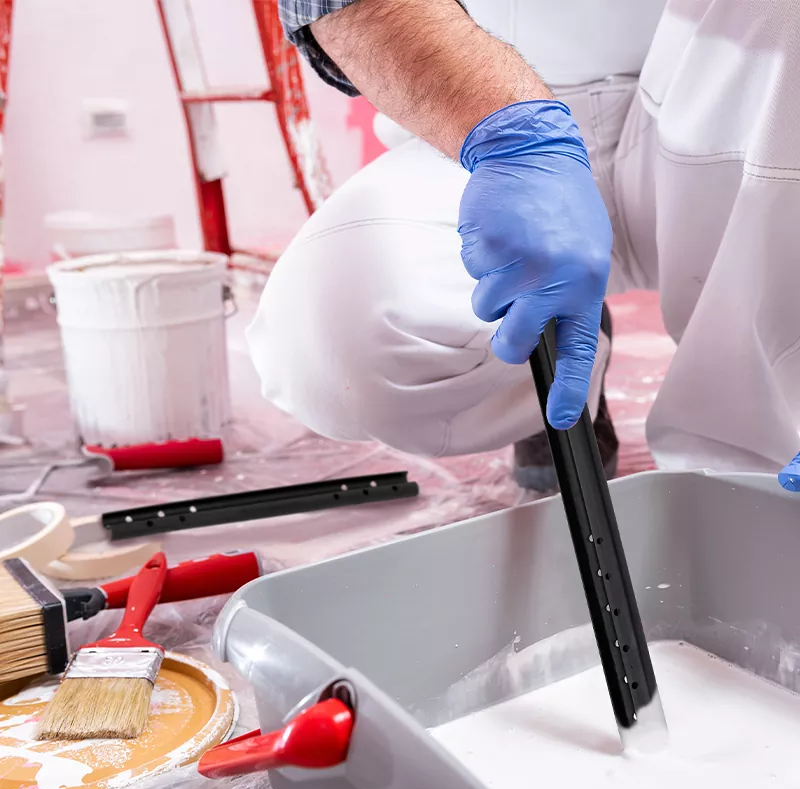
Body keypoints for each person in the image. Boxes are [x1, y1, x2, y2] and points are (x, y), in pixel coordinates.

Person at [247, 0, 800, 491]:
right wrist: (512, 137)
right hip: (479, 109)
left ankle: (745, 484)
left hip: (747, 114)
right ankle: (551, 369)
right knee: (332, 347)